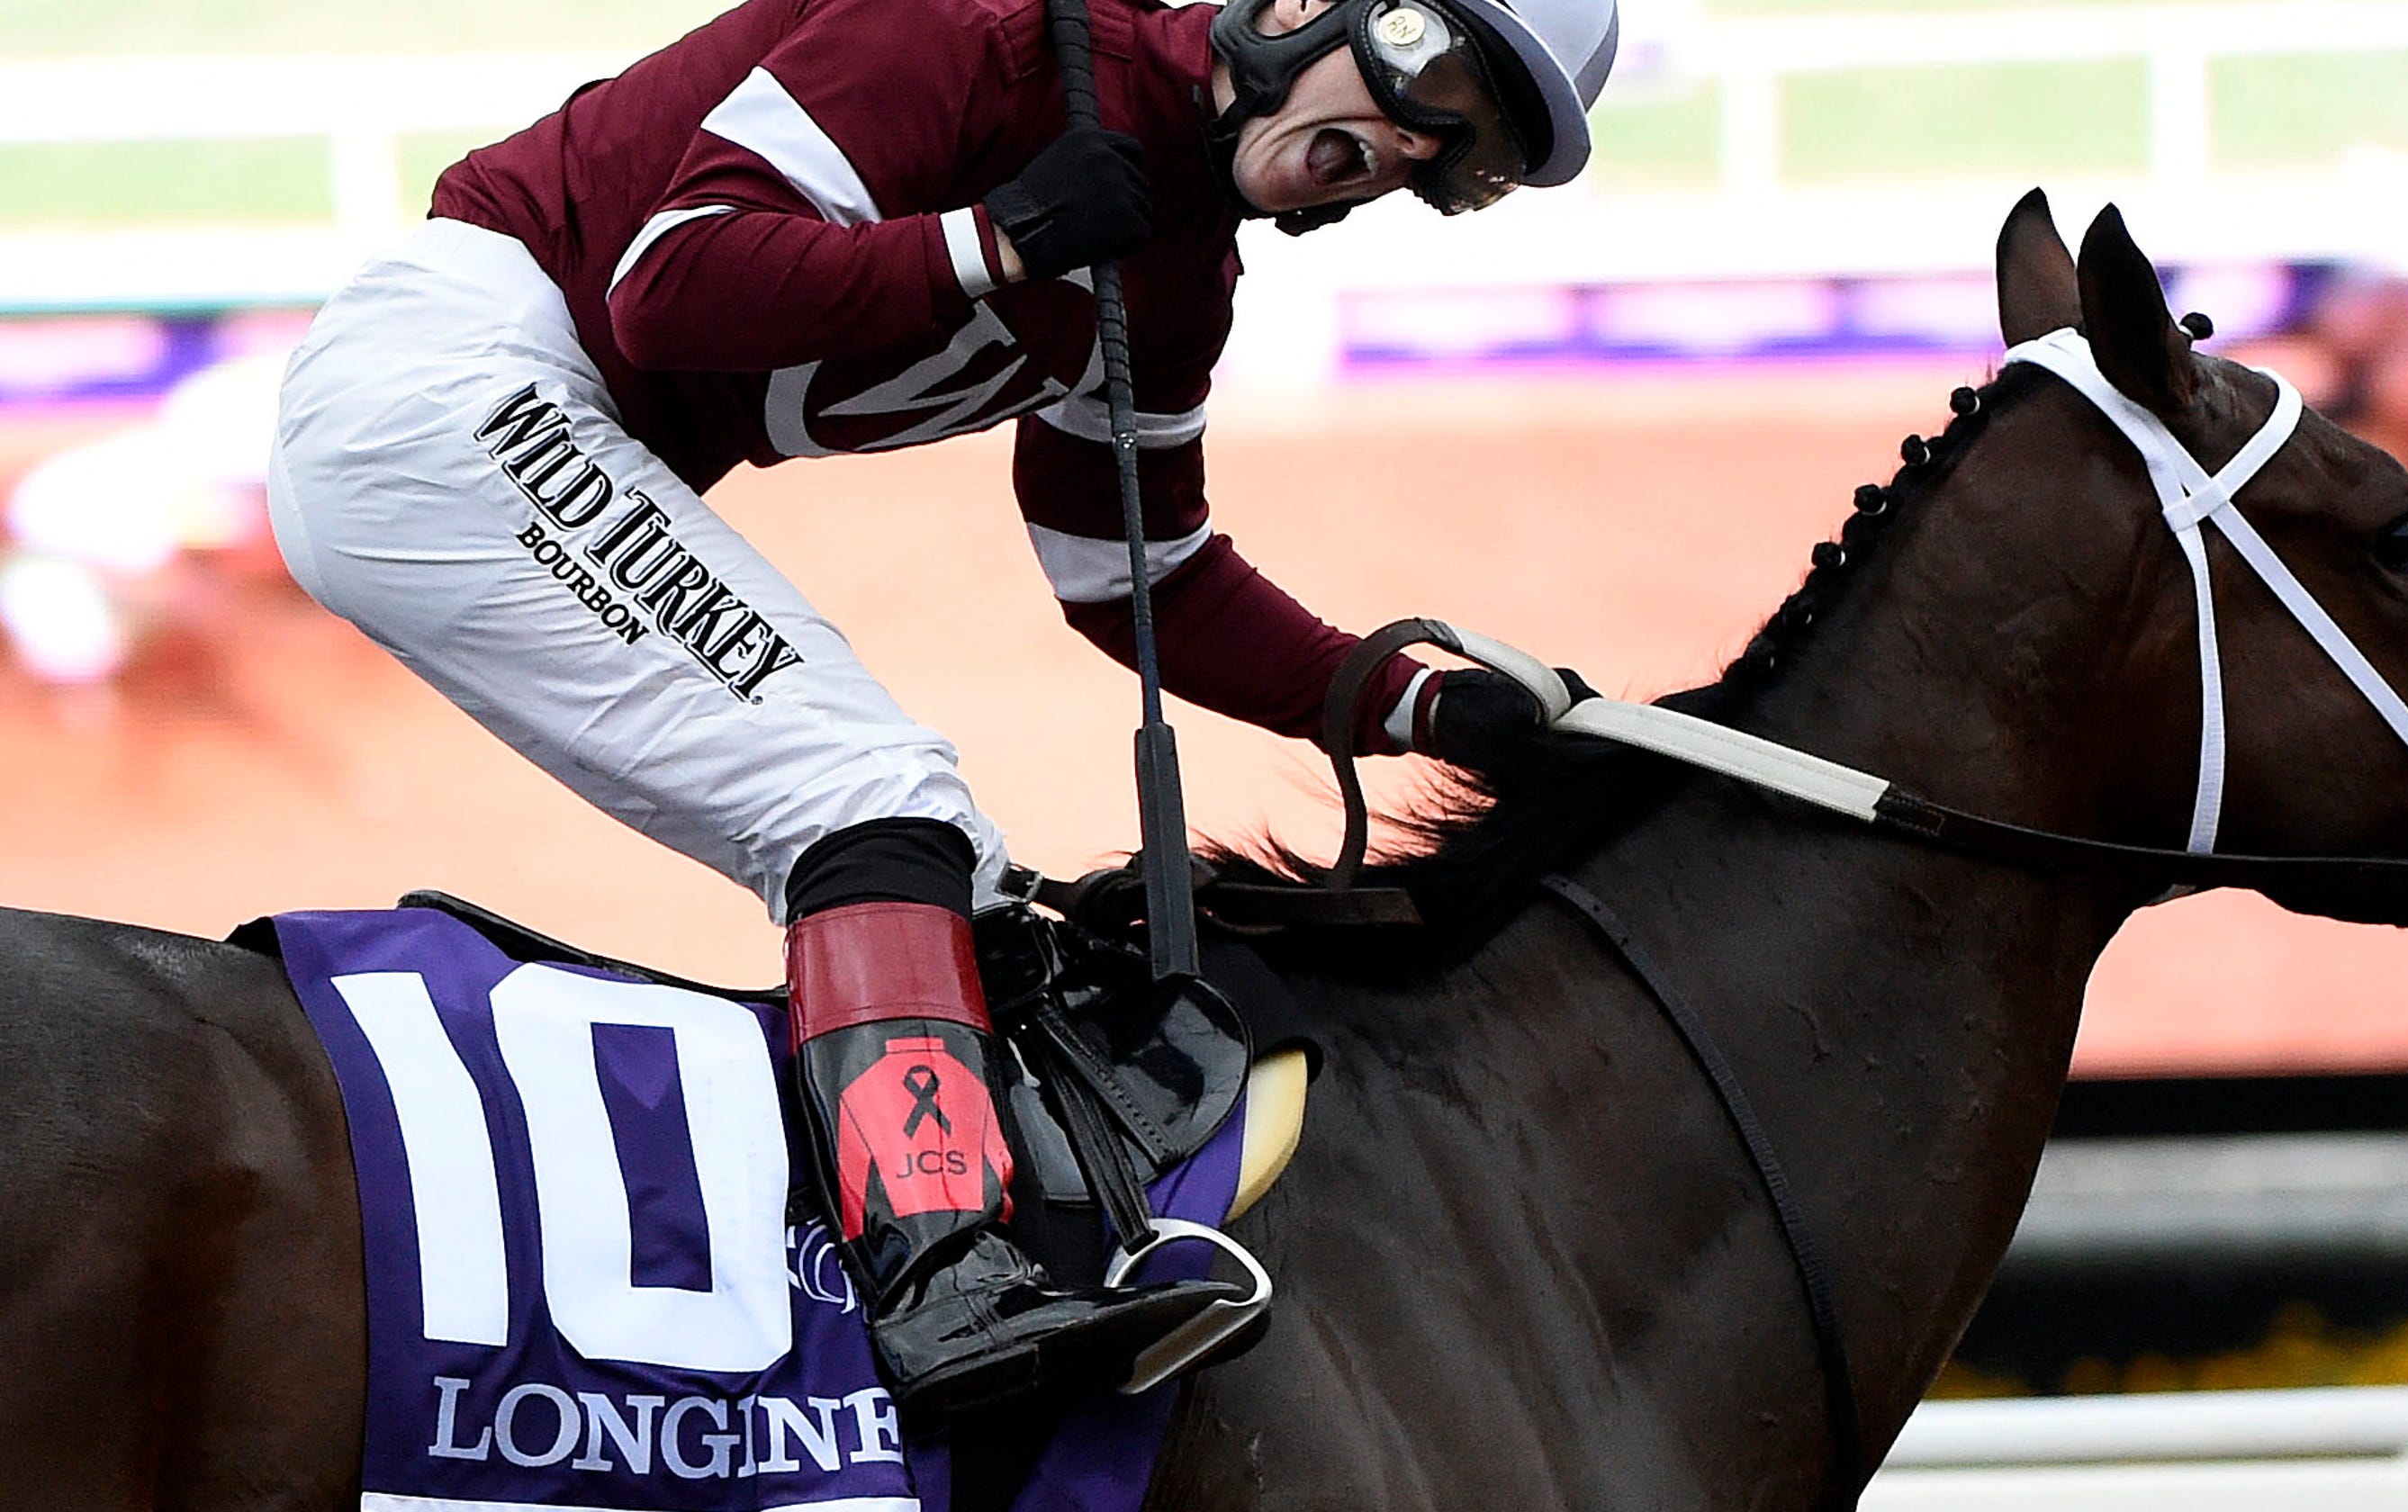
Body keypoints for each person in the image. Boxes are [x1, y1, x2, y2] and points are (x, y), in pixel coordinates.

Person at [266, 0, 1617, 1431]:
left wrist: (1416, 704)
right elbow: (669, 286)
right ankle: (945, 1290)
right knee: (870, 802)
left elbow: (1133, 572)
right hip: (455, 376)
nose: (1413, 142)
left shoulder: (1173, 280)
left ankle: (881, 1279)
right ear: (1303, 7)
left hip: (506, 430)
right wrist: (1003, 237)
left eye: (1460, 156)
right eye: (1434, 74)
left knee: (943, 868)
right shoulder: (991, 39)